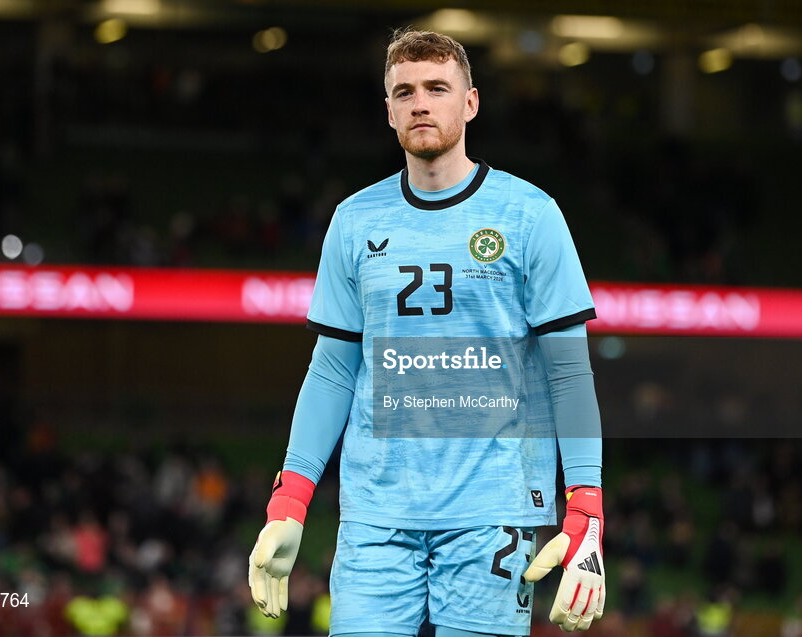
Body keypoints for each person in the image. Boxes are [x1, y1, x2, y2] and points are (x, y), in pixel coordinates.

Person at [249, 29, 606, 636]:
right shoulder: (354, 220)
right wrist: (290, 499)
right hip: (375, 516)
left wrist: (587, 513)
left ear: (470, 102)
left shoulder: (530, 216)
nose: (421, 103)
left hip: (494, 510)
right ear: (388, 111)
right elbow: (334, 368)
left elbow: (569, 371)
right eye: (404, 91)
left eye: (437, 88)